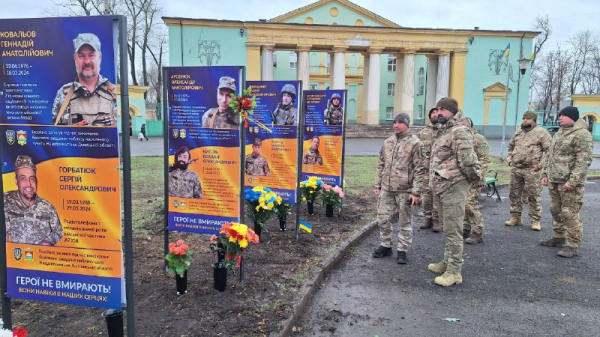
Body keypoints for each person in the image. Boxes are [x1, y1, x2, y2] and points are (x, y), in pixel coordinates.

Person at [427, 97, 481, 287]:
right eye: (437, 109)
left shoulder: (459, 131)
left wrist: (471, 180)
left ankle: (455, 271)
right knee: (447, 227)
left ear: (452, 111)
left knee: (453, 230)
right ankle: (447, 261)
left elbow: (468, 161)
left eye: (442, 109)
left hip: (454, 186)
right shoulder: (446, 130)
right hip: (443, 186)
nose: (438, 112)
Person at [372, 113, 426, 264]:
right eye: (394, 122)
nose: (396, 125)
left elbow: (420, 169)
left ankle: (402, 250)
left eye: (400, 122)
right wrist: (377, 185)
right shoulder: (388, 142)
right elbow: (381, 165)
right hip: (387, 189)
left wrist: (416, 192)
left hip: (405, 190)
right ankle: (385, 245)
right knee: (382, 218)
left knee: (405, 221)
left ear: (407, 124)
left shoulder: (416, 143)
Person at [540, 107, 593, 258]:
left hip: (569, 182)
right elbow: (550, 156)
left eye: (564, 115)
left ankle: (572, 245)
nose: (560, 118)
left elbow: (583, 160)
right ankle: (559, 237)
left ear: (572, 117)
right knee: (555, 209)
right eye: (560, 115)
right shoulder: (559, 133)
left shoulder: (582, 134)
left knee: (569, 213)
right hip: (555, 179)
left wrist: (573, 180)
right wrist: (545, 174)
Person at [52, 33, 117, 126]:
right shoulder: (63, 94)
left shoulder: (114, 94)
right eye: (81, 55)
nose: (87, 61)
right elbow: (58, 136)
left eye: (91, 55)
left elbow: (122, 133)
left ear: (100, 57)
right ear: (75, 58)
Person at [504, 111, 551, 231]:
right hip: (516, 169)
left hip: (532, 170)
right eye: (524, 118)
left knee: (533, 195)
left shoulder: (541, 133)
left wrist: (539, 166)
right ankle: (516, 217)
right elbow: (510, 147)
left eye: (528, 119)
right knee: (514, 194)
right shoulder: (518, 132)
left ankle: (535, 220)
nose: (525, 120)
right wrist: (510, 160)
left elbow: (550, 152)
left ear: (534, 120)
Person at [4, 155, 63, 246]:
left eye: (32, 178)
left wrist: (48, 241)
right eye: (23, 178)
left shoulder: (48, 207)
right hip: (16, 256)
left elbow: (58, 231)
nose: (29, 184)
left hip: (41, 257)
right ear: (16, 181)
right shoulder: (6, 201)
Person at [463, 117, 490, 244]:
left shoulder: (478, 139)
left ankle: (477, 232)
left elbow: (484, 160)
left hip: (474, 179)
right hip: (462, 179)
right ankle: (465, 228)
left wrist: (477, 176)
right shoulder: (461, 139)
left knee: (470, 204)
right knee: (462, 204)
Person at [418, 107, 441, 232]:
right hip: (426, 170)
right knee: (426, 195)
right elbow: (417, 150)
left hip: (439, 171)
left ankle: (437, 220)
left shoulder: (445, 131)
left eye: (437, 112)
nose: (435, 114)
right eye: (432, 113)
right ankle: (428, 218)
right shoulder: (423, 132)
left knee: (437, 195)